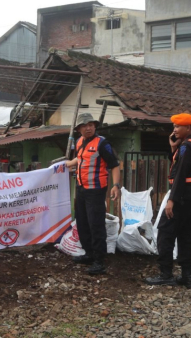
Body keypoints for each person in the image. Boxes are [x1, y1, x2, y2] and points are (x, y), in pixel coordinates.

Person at [145, 113, 191, 288]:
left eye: (178, 127)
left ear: (188, 128)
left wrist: (172, 200)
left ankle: (166, 273)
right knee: (185, 233)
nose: (175, 130)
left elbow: (180, 175)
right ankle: (186, 275)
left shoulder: (186, 146)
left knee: (165, 231)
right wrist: (173, 148)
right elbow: (179, 164)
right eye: (174, 127)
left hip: (182, 194)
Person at [65, 113, 121, 275]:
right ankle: (88, 253)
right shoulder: (80, 141)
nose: (88, 128)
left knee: (95, 224)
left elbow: (114, 165)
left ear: (95, 126)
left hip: (96, 190)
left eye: (90, 124)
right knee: (82, 223)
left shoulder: (103, 144)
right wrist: (68, 164)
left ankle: (99, 261)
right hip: (81, 189)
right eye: (84, 125)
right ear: (79, 129)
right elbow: (81, 159)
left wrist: (116, 185)